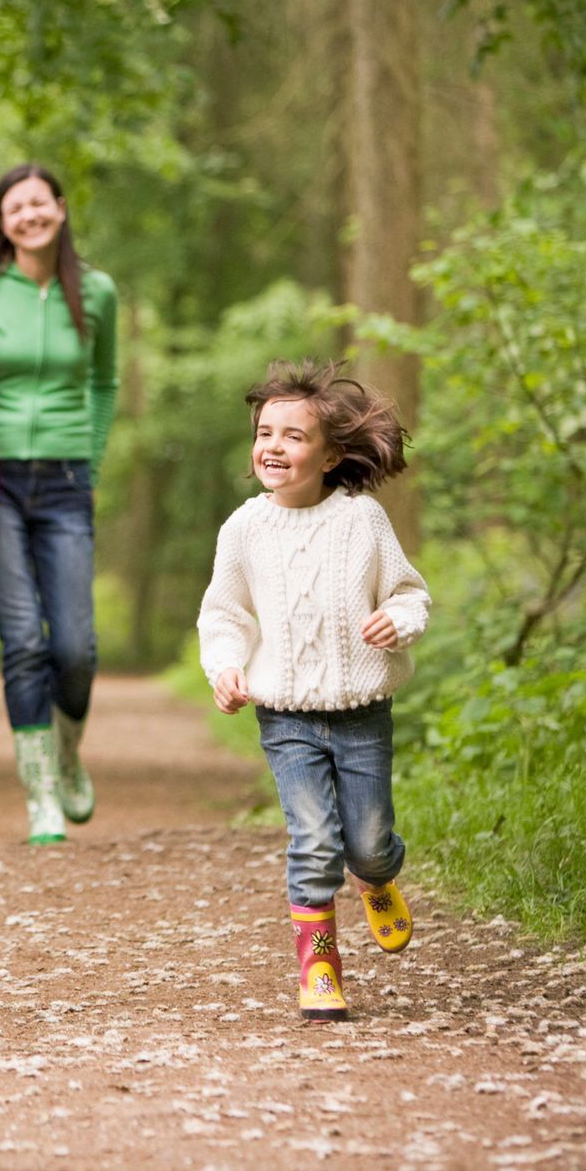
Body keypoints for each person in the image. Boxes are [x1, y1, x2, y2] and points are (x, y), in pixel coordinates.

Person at [196, 361, 431, 1021]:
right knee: (314, 838)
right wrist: (226, 667)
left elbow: (408, 592)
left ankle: (378, 877)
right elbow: (225, 615)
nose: (273, 445)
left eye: (293, 436)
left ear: (331, 455)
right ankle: (319, 963)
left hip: (362, 714)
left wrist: (399, 622)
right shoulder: (244, 530)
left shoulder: (362, 521)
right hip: (286, 716)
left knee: (367, 842)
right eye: (264, 431)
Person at [0, 163, 118, 844]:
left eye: (38, 202)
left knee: (75, 646)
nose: (28, 215)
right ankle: (41, 795)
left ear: (60, 208)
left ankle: (68, 752)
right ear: (1, 222)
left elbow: (105, 382)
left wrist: (91, 454)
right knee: (23, 640)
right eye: (13, 208)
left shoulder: (99, 292)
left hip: (66, 481)